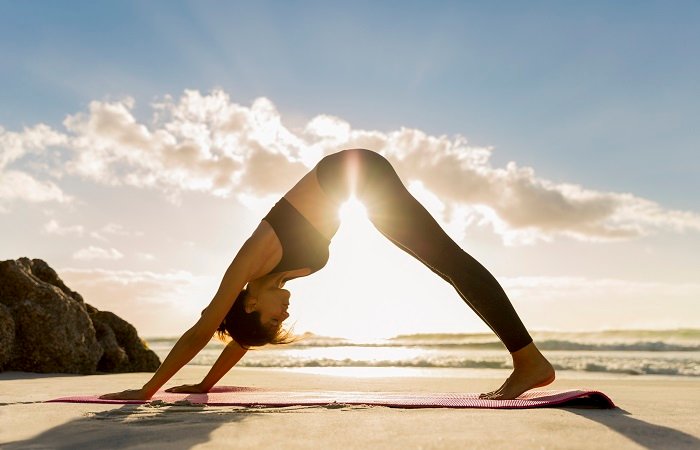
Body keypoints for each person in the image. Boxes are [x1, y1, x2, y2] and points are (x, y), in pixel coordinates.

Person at [101, 148, 554, 401]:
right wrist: (205, 384)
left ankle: (528, 361)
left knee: (451, 263)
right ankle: (527, 359)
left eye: (273, 320)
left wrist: (147, 390)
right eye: (282, 324)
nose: (285, 315)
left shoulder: (249, 261)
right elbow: (241, 338)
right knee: (448, 266)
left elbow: (205, 327)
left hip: (353, 174)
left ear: (250, 303)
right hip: (359, 184)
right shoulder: (273, 282)